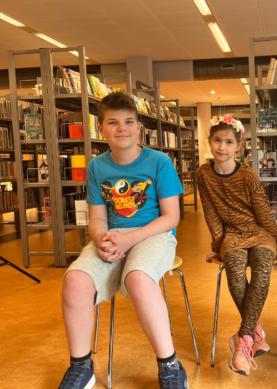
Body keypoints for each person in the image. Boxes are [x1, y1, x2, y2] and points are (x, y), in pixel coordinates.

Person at [58, 92, 187, 389]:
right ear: (101, 128)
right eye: (113, 122)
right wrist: (101, 240)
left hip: (153, 234)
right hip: (113, 237)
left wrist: (130, 241)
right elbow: (98, 217)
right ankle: (81, 366)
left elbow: (171, 217)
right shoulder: (95, 166)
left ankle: (169, 364)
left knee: (139, 279)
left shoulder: (159, 161)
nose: (122, 128)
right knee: (75, 280)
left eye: (129, 121)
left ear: (139, 127)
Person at [197, 115, 277, 376]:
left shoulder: (248, 175)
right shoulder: (202, 174)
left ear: (238, 147)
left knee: (263, 271)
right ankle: (254, 332)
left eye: (229, 142)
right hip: (232, 236)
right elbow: (210, 212)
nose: (222, 146)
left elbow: (263, 212)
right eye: (217, 140)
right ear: (209, 141)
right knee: (235, 274)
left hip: (260, 233)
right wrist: (218, 246)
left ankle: (244, 339)